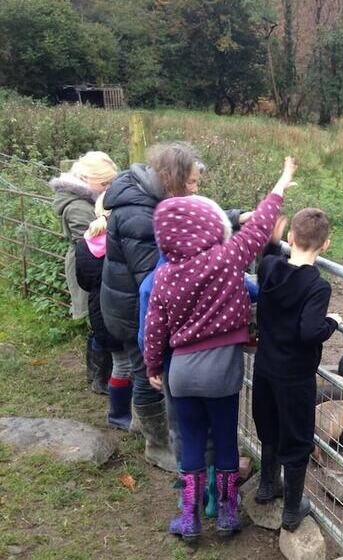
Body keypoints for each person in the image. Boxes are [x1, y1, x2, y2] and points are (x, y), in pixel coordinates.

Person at [143, 157, 297, 542]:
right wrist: (281, 183)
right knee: (226, 441)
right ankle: (228, 516)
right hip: (222, 369)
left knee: (192, 443)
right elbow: (261, 227)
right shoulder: (226, 259)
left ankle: (190, 520)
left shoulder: (163, 276)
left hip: (181, 370)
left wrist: (152, 366)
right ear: (209, 226)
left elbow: (154, 327)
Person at [101, 142, 200, 472]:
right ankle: (157, 445)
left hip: (126, 300)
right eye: (192, 183)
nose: (196, 189)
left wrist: (230, 217)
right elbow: (156, 280)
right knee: (147, 372)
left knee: (140, 367)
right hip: (133, 309)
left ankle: (141, 421)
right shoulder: (140, 218)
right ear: (173, 179)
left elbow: (193, 213)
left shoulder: (150, 197)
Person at [252, 206, 342, 532]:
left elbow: (269, 258)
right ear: (326, 245)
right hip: (295, 377)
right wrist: (331, 323)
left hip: (264, 368)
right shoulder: (318, 287)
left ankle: (266, 486)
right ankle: (292, 510)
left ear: (291, 238)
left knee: (269, 425)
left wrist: (274, 242)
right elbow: (309, 331)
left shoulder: (271, 268)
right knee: (298, 438)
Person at [50, 151, 119, 392]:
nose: (108, 188)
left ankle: (98, 374)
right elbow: (89, 245)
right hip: (88, 265)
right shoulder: (79, 206)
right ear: (88, 179)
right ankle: (99, 377)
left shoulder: (85, 197)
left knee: (97, 318)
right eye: (105, 183)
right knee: (97, 319)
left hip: (88, 261)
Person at [74, 196, 132, 427]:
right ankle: (120, 415)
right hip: (123, 310)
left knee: (121, 363)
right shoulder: (121, 242)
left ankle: (120, 414)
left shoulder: (84, 243)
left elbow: (84, 282)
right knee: (130, 365)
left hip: (99, 310)